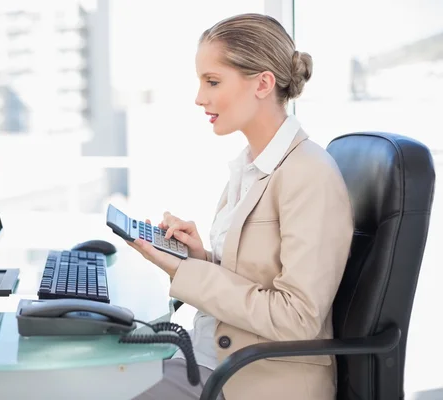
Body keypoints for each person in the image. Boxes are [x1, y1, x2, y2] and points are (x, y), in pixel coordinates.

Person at [127, 13, 354, 400]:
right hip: (211, 360)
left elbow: (297, 318)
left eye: (212, 82)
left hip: (249, 381)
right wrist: (200, 259)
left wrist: (186, 273)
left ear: (263, 83)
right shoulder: (252, 165)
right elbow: (255, 280)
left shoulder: (308, 174)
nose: (200, 97)